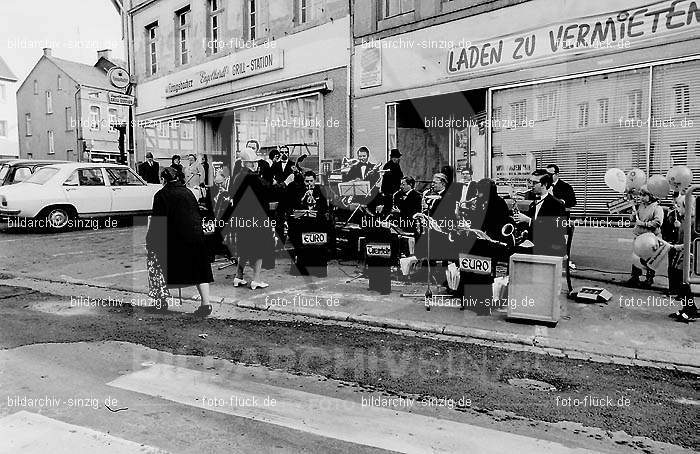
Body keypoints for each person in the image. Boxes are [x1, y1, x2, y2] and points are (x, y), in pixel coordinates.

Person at [145, 167, 214, 317]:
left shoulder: (161, 195)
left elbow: (158, 223)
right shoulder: (189, 192)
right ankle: (206, 304)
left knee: (155, 264)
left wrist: (150, 241)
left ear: (163, 179)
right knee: (200, 270)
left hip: (175, 240)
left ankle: (160, 302)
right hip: (196, 238)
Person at [224, 147, 275, 290]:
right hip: (256, 218)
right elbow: (267, 190)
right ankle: (256, 279)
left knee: (244, 248)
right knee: (259, 249)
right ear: (250, 163)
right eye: (255, 162)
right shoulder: (252, 177)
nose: (257, 164)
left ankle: (238, 277)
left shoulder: (237, 177)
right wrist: (285, 183)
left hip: (242, 218)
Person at [513, 169, 567, 256]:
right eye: (530, 182)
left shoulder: (556, 204)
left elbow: (553, 230)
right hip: (535, 243)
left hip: (552, 246)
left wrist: (528, 220)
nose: (531, 185)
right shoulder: (534, 202)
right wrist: (525, 232)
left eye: (534, 183)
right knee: (509, 247)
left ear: (544, 185)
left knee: (513, 251)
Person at [625, 185, 664, 288]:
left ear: (651, 196)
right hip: (639, 236)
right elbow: (634, 219)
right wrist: (633, 215)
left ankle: (649, 279)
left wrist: (642, 223)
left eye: (644, 195)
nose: (641, 197)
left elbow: (658, 222)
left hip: (650, 238)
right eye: (641, 195)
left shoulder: (657, 207)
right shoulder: (641, 206)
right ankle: (635, 277)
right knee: (636, 257)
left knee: (650, 259)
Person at [469, 178, 509, 242]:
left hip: (496, 239)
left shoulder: (499, 203)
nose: (477, 194)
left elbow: (494, 225)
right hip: (482, 237)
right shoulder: (480, 202)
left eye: (479, 192)